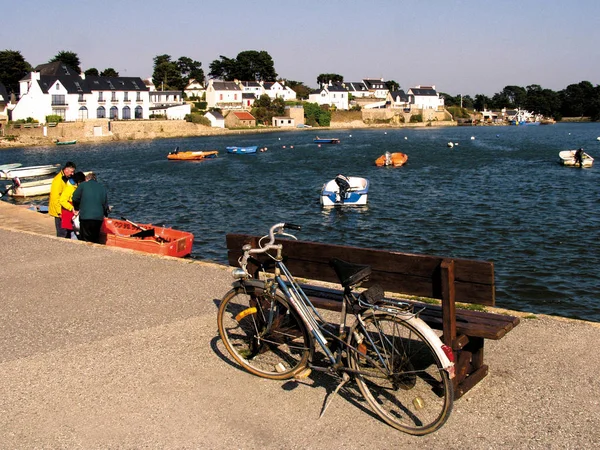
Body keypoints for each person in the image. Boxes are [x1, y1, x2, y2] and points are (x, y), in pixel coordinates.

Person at [72, 172, 109, 243]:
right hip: (98, 218)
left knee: (85, 238)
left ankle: (86, 252)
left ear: (86, 179)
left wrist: (76, 208)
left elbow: (75, 198)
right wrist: (105, 214)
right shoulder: (102, 187)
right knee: (95, 238)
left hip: (85, 216)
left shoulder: (83, 185)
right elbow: (105, 204)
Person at [48, 161, 76, 238]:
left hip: (64, 208)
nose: (72, 174)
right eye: (71, 172)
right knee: (62, 233)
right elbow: (55, 198)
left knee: (67, 231)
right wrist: (59, 213)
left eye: (73, 172)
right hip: (59, 211)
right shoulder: (57, 181)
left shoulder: (66, 178)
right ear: (66, 170)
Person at [59, 171, 86, 239]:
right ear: (79, 181)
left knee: (75, 232)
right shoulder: (69, 188)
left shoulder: (77, 188)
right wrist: (71, 208)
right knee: (71, 232)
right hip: (68, 213)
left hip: (75, 213)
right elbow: (62, 200)